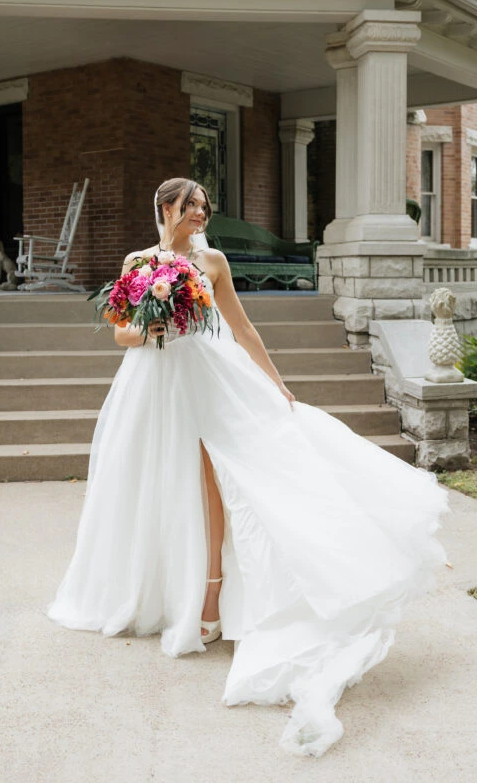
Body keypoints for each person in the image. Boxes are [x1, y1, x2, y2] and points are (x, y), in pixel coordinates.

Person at [46, 176, 450, 758]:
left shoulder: (212, 262)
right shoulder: (137, 262)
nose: (199, 214)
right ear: (165, 208)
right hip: (152, 381)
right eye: (190, 206)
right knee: (157, 481)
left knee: (219, 478)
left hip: (211, 375)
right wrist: (147, 328)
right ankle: (164, 593)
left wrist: (277, 384)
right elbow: (119, 333)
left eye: (203, 207)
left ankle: (211, 598)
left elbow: (240, 326)